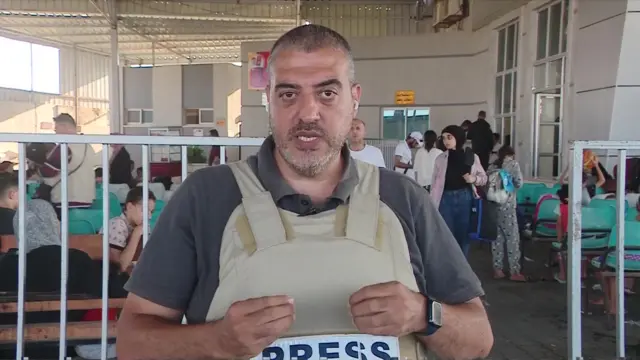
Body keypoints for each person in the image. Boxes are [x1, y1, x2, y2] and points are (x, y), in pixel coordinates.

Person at [117, 24, 492, 360]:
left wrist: (422, 315)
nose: (307, 112)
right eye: (288, 94)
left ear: (354, 98)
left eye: (327, 93)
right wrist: (216, 342)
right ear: (269, 99)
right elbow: (132, 342)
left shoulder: (403, 199)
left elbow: (478, 340)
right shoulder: (206, 198)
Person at [430, 125, 487, 257]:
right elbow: (434, 184)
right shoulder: (440, 159)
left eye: (449, 137)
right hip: (445, 199)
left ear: (458, 137)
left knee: (463, 234)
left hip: (464, 198)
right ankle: (449, 266)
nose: (446, 141)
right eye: (443, 138)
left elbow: (484, 178)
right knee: (446, 235)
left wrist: (474, 178)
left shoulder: (471, 157)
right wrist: (432, 202)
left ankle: (462, 268)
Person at [37, 113, 96, 216]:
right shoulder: (88, 146)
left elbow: (48, 172)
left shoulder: (65, 146)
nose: (55, 131)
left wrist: (37, 168)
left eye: (56, 128)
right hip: (87, 200)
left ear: (65, 126)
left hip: (65, 199)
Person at [488, 146, 525, 281]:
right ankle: (514, 271)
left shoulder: (492, 166)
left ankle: (498, 270)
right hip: (508, 207)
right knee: (512, 239)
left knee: (497, 239)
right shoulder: (513, 164)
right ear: (512, 154)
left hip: (493, 206)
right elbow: (519, 184)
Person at [104, 187, 156, 273]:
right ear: (129, 207)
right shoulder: (117, 224)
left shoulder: (142, 225)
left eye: (151, 212)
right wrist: (136, 234)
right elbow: (118, 269)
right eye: (144, 210)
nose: (149, 216)